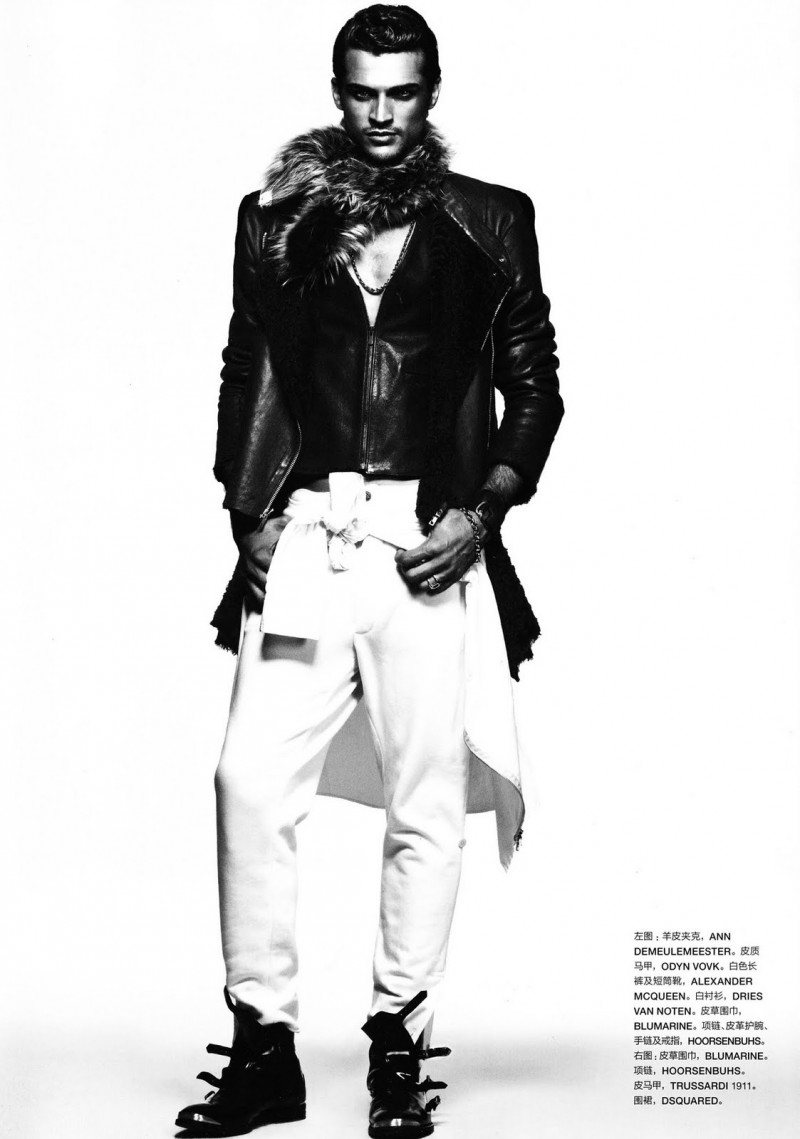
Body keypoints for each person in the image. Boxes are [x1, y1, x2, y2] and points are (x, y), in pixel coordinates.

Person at [176, 5, 564, 1136]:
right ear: (337, 92)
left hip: (425, 533)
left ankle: (399, 1038)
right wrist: (244, 511)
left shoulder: (489, 219)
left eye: (401, 91)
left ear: (430, 92)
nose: (382, 113)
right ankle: (264, 1047)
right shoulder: (275, 218)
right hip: (308, 529)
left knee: (425, 795)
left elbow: (534, 381)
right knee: (249, 780)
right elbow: (247, 363)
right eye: (363, 91)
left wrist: (485, 511)